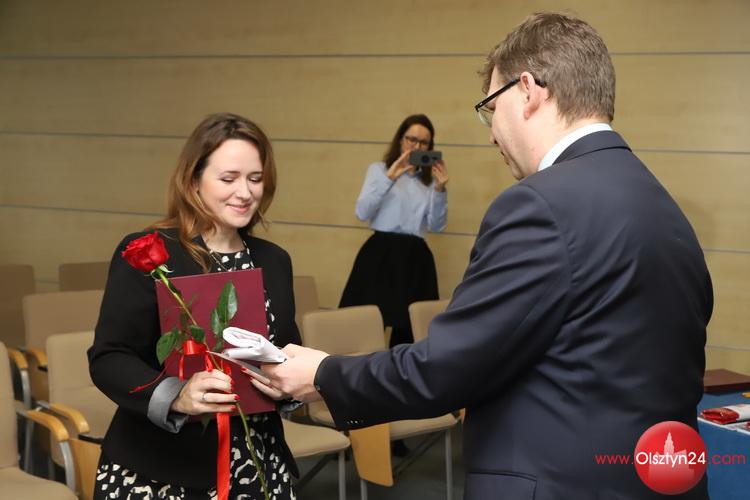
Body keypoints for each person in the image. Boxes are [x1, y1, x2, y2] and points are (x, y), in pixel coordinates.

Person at [254, 12, 713, 500]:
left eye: (491, 108)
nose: (492, 133)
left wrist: (323, 374)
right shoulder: (664, 207)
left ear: (528, 90)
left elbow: (446, 369)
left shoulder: (539, 204)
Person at [88, 113, 299, 499]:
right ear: (193, 180)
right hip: (162, 469)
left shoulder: (274, 260)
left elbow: (285, 350)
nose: (245, 192)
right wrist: (177, 396)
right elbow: (109, 357)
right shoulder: (153, 252)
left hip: (259, 462)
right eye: (229, 178)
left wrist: (287, 384)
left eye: (255, 178)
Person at [339, 114, 449, 347]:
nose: (416, 146)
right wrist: (390, 177)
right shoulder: (379, 170)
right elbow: (362, 212)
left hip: (415, 258)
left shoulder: (429, 181)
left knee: (409, 333)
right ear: (400, 140)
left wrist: (440, 189)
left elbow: (436, 226)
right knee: (364, 325)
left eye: (424, 142)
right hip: (380, 253)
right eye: (411, 139)